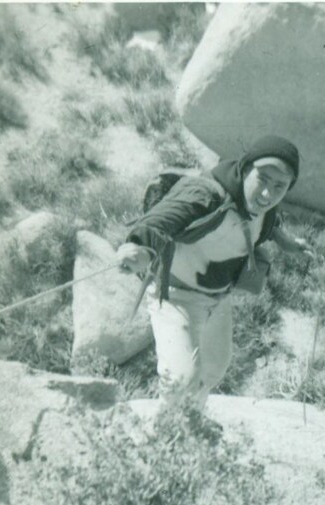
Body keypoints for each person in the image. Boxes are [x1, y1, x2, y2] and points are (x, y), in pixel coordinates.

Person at [117, 135, 312, 410]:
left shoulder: (264, 207)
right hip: (175, 296)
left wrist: (286, 242)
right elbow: (161, 221)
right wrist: (138, 248)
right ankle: (165, 436)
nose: (268, 193)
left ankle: (192, 425)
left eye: (280, 186)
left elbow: (270, 223)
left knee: (212, 369)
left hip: (218, 299)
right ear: (245, 169)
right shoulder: (205, 194)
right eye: (263, 179)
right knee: (181, 380)